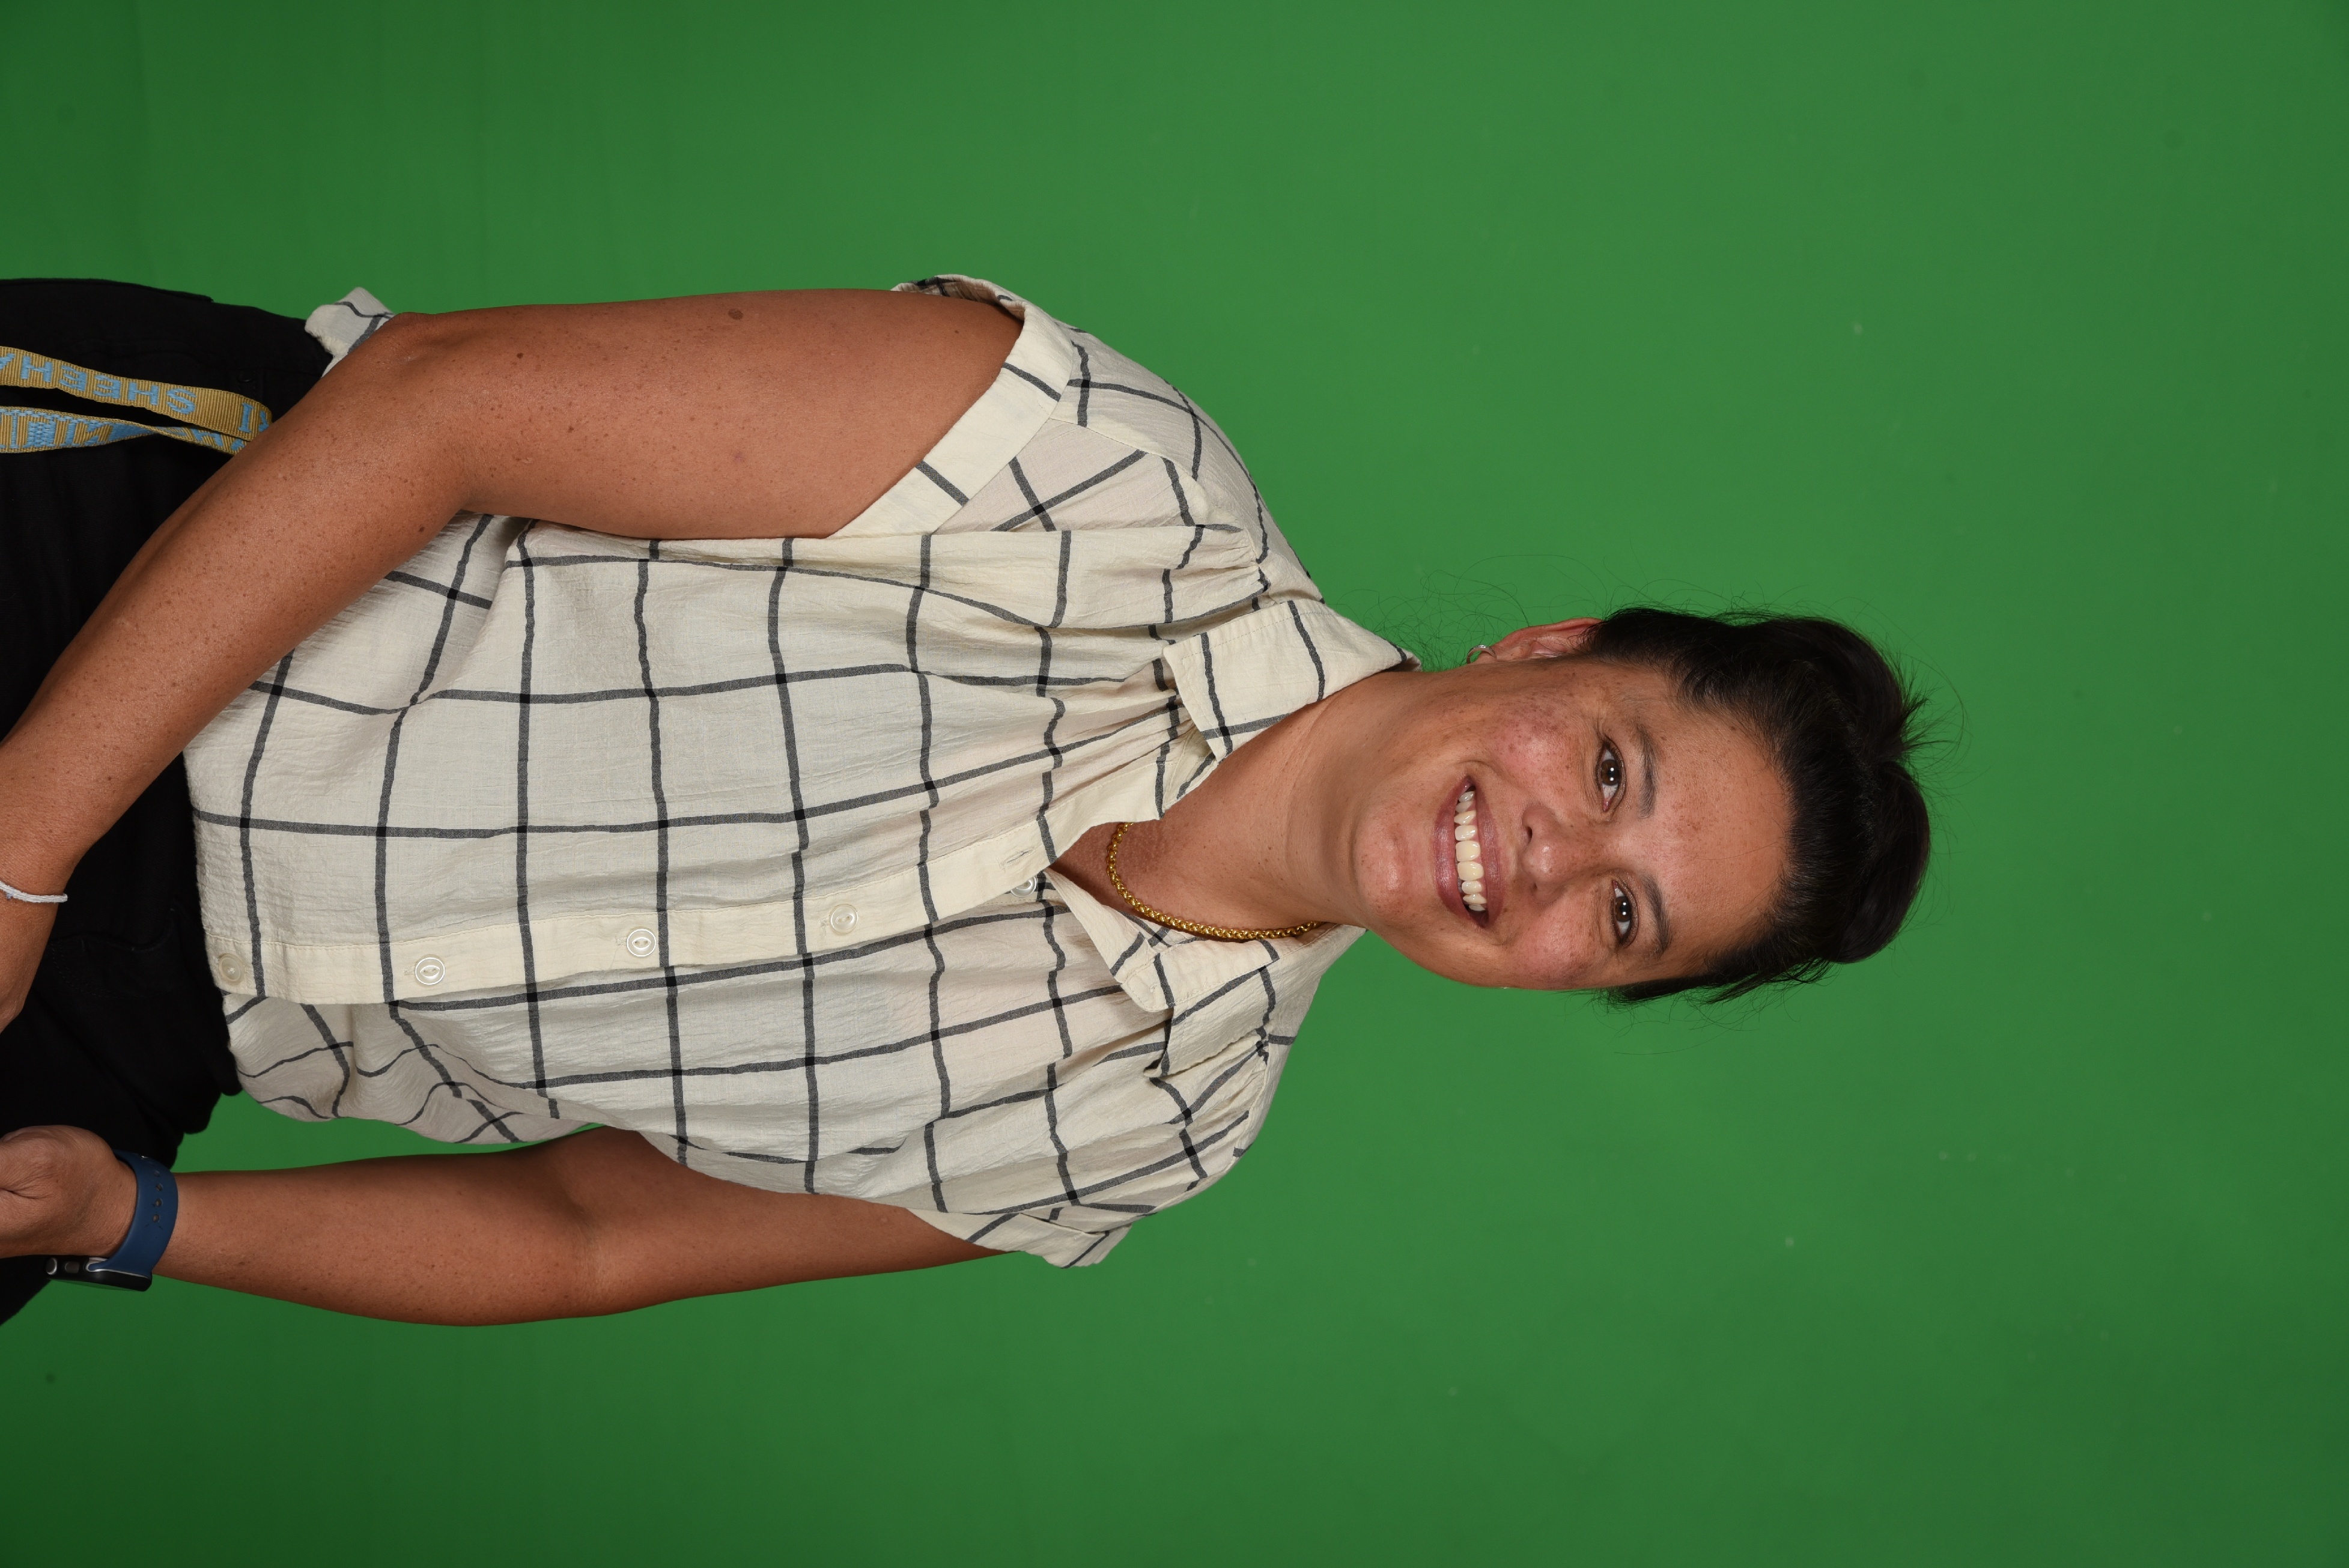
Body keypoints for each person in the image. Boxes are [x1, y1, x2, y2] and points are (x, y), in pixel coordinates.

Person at [0, 275, 1931, 1326]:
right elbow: (440, 403)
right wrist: (21, 850)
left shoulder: (1149, 1131)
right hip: (140, 580)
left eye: (1624, 917)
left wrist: (137, 1212)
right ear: (1546, 647)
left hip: (157, 1028)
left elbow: (590, 1232)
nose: (1553, 857)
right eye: (1610, 766)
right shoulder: (1101, 473)